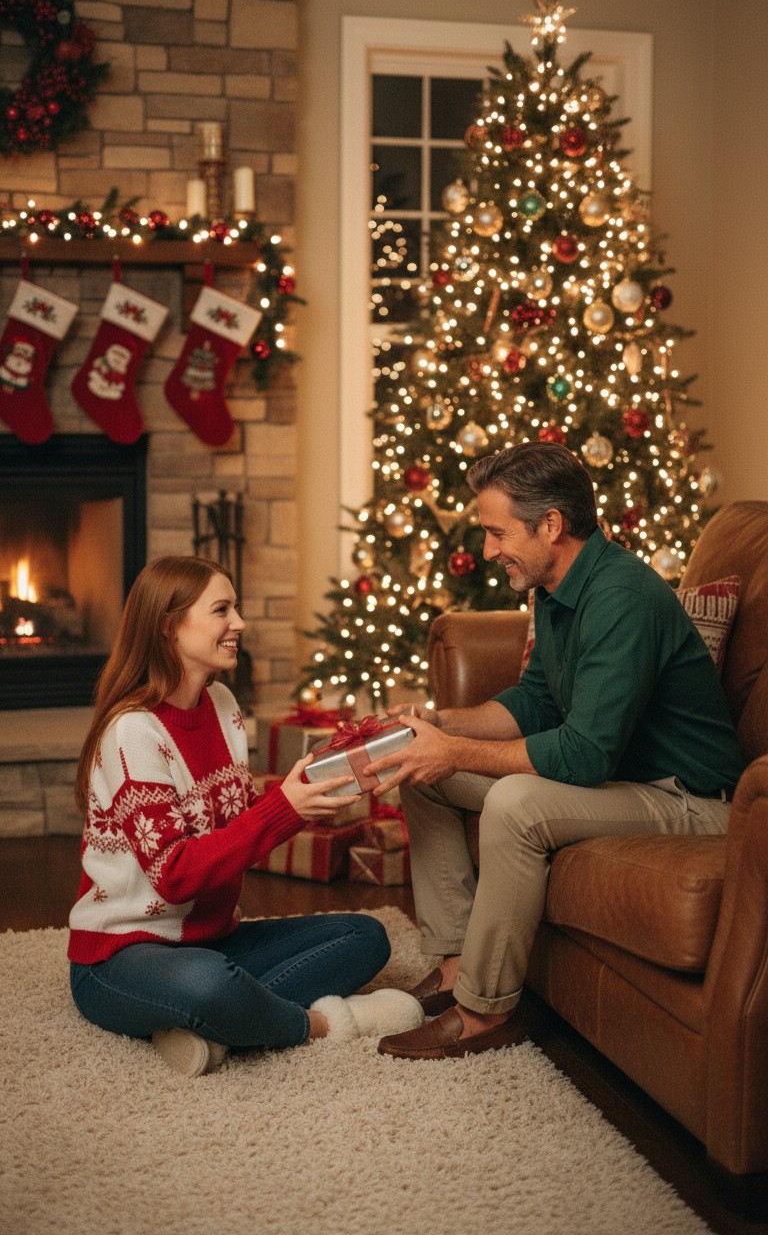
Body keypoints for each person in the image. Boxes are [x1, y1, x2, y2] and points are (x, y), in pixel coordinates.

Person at [366, 442, 744, 1061]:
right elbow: (536, 700)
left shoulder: (621, 597)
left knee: (515, 801)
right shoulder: (557, 587)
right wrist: (433, 724)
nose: (488, 551)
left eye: (497, 533)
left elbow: (586, 754)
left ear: (550, 525)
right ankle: (458, 958)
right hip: (628, 782)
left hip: (694, 801)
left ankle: (484, 1011)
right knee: (421, 770)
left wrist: (454, 750)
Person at [68, 555, 423, 1077]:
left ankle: (214, 1028)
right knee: (212, 987)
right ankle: (319, 1023)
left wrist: (308, 796)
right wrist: (283, 810)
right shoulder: (133, 732)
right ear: (170, 625)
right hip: (121, 956)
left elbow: (233, 821)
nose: (238, 623)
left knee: (365, 937)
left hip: (213, 939)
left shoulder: (223, 703)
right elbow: (175, 876)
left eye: (235, 608)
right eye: (221, 610)